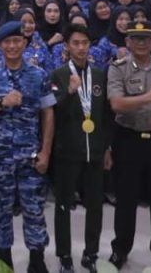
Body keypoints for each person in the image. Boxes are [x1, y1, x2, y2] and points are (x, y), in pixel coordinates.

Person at [0, 21, 55, 272]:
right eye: (6, 42)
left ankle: (37, 260)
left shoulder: (38, 74)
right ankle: (3, 261)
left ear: (25, 43)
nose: (12, 46)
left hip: (31, 157)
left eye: (17, 41)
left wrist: (45, 152)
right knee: (1, 211)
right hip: (0, 158)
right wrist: (2, 102)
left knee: (34, 210)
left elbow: (48, 114)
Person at [107, 20, 151, 272]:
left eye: (146, 38)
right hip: (128, 139)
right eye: (136, 38)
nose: (141, 43)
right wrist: (148, 97)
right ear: (127, 42)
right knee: (126, 199)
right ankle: (120, 249)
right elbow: (116, 104)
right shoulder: (118, 68)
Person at [49, 23, 113, 273]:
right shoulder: (58, 74)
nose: (81, 48)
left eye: (85, 43)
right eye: (75, 43)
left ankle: (91, 253)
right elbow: (53, 113)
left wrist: (107, 147)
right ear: (67, 46)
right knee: (63, 205)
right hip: (67, 151)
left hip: (95, 150)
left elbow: (106, 115)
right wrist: (69, 92)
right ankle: (65, 255)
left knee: (95, 206)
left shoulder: (99, 75)